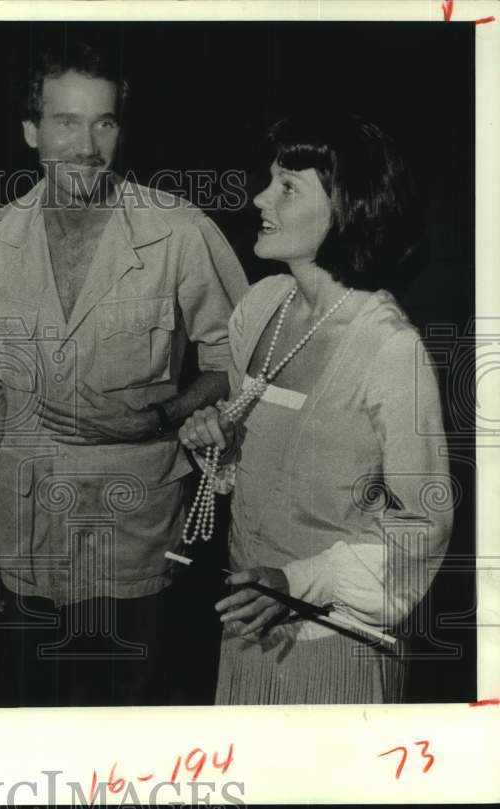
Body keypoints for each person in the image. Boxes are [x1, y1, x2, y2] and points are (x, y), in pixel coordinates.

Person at [0, 39, 248, 706]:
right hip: (25, 526)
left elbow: (240, 361)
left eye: (105, 122)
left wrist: (159, 415)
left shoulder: (178, 230)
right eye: (66, 122)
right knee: (37, 706)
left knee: (132, 710)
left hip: (135, 530)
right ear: (32, 131)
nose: (88, 145)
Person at [178, 114, 453, 704]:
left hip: (339, 644)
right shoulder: (260, 306)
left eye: (287, 186)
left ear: (346, 207)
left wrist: (298, 581)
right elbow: (270, 468)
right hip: (247, 630)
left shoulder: (389, 348)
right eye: (268, 180)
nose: (259, 198)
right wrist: (220, 448)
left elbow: (421, 526)